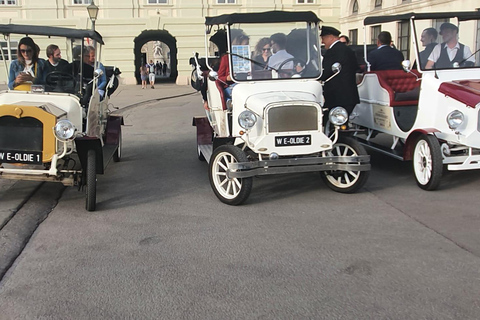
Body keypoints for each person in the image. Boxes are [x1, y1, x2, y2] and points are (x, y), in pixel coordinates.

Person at [319, 26, 359, 124]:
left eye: (323, 38)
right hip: (350, 95)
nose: (322, 42)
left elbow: (327, 72)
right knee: (341, 123)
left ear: (331, 37)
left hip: (337, 96)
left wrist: (316, 78)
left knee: (332, 123)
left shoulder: (333, 52)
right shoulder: (348, 50)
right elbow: (355, 67)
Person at [217, 31, 249, 101]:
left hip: (247, 84)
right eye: (245, 45)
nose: (246, 47)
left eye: (247, 45)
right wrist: (227, 78)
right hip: (231, 85)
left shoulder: (250, 58)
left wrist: (252, 72)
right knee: (241, 95)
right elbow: (219, 78)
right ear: (238, 45)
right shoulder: (226, 58)